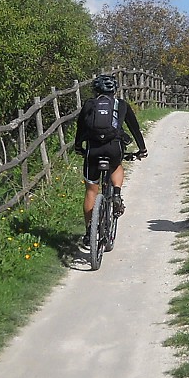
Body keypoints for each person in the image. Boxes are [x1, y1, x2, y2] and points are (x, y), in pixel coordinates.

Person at [73, 73, 147, 251]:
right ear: (115, 90)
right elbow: (134, 128)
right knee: (117, 166)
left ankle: (90, 229)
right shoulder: (121, 105)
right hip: (114, 148)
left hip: (93, 150)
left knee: (91, 190)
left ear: (96, 90)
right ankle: (116, 195)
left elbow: (80, 128)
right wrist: (142, 148)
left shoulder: (90, 105)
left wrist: (78, 147)